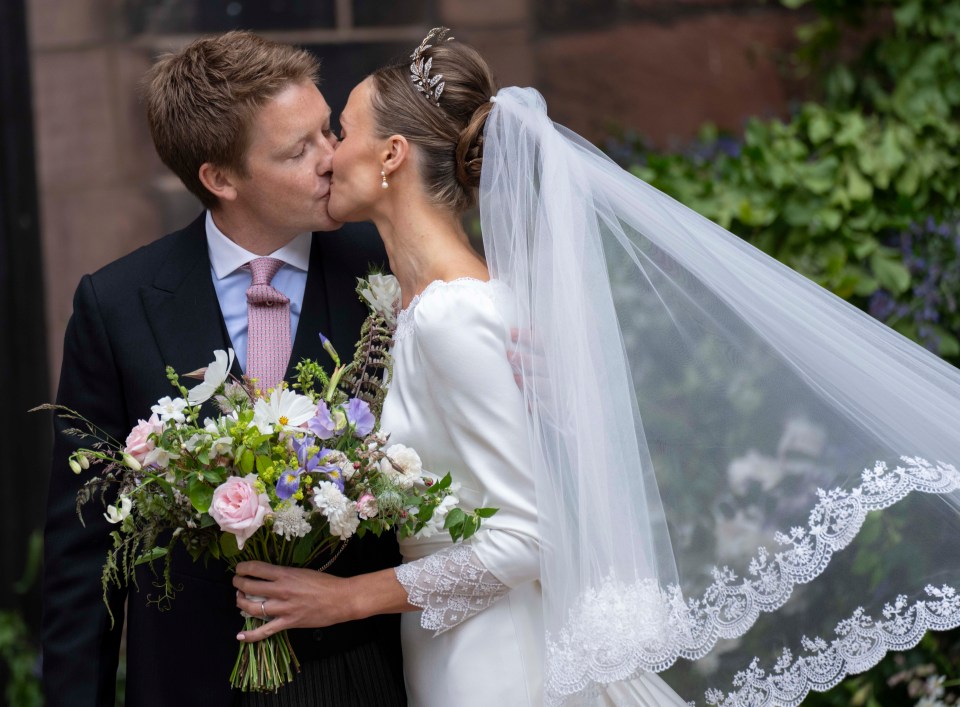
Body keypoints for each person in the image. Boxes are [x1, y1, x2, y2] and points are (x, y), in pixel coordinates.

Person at [233, 28, 960, 707]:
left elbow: (528, 534)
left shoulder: (459, 315)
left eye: (343, 132)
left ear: (391, 155)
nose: (328, 153)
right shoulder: (416, 311)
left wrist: (345, 597)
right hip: (451, 644)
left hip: (497, 658)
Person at [41, 31, 406, 707]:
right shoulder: (117, 304)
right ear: (220, 177)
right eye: (299, 150)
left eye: (327, 131)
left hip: (362, 677)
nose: (332, 159)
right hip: (189, 682)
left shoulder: (388, 269)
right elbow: (82, 555)